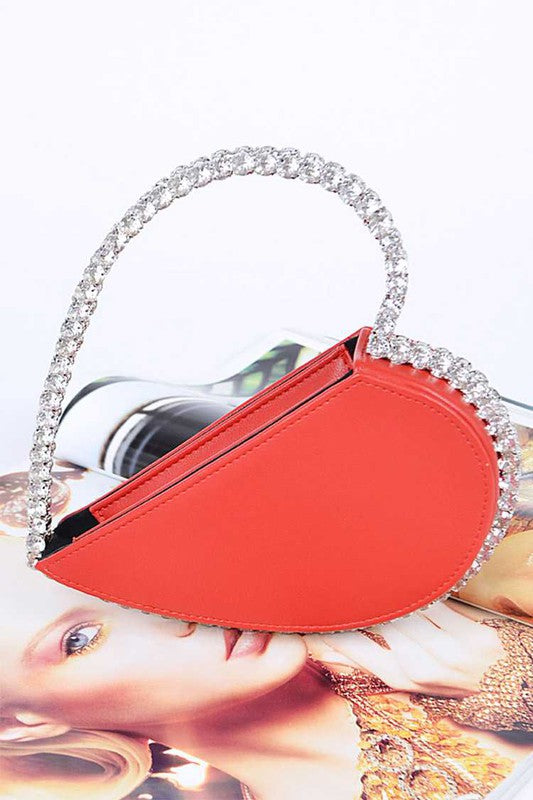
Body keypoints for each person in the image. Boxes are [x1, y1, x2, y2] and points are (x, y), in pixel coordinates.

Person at [1, 532, 532, 800]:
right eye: (81, 639)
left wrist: (516, 680)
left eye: (125, 577)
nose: (167, 611)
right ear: (21, 725)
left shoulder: (428, 580)